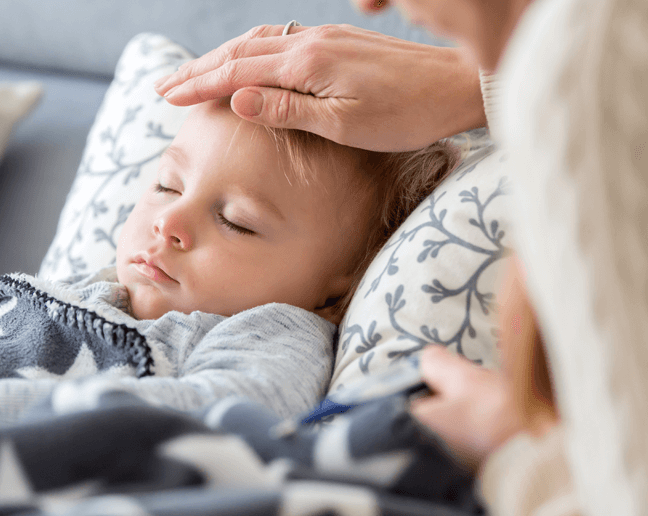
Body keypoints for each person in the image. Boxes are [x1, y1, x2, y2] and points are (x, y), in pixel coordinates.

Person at [0, 95, 458, 442]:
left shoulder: (269, 333)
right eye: (167, 184)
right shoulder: (72, 292)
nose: (169, 220)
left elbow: (232, 414)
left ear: (335, 293)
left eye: (235, 221)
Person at [155, 0, 648, 514]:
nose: (369, 5)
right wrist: (472, 84)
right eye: (163, 186)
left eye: (237, 220)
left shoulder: (591, 68)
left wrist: (508, 452)